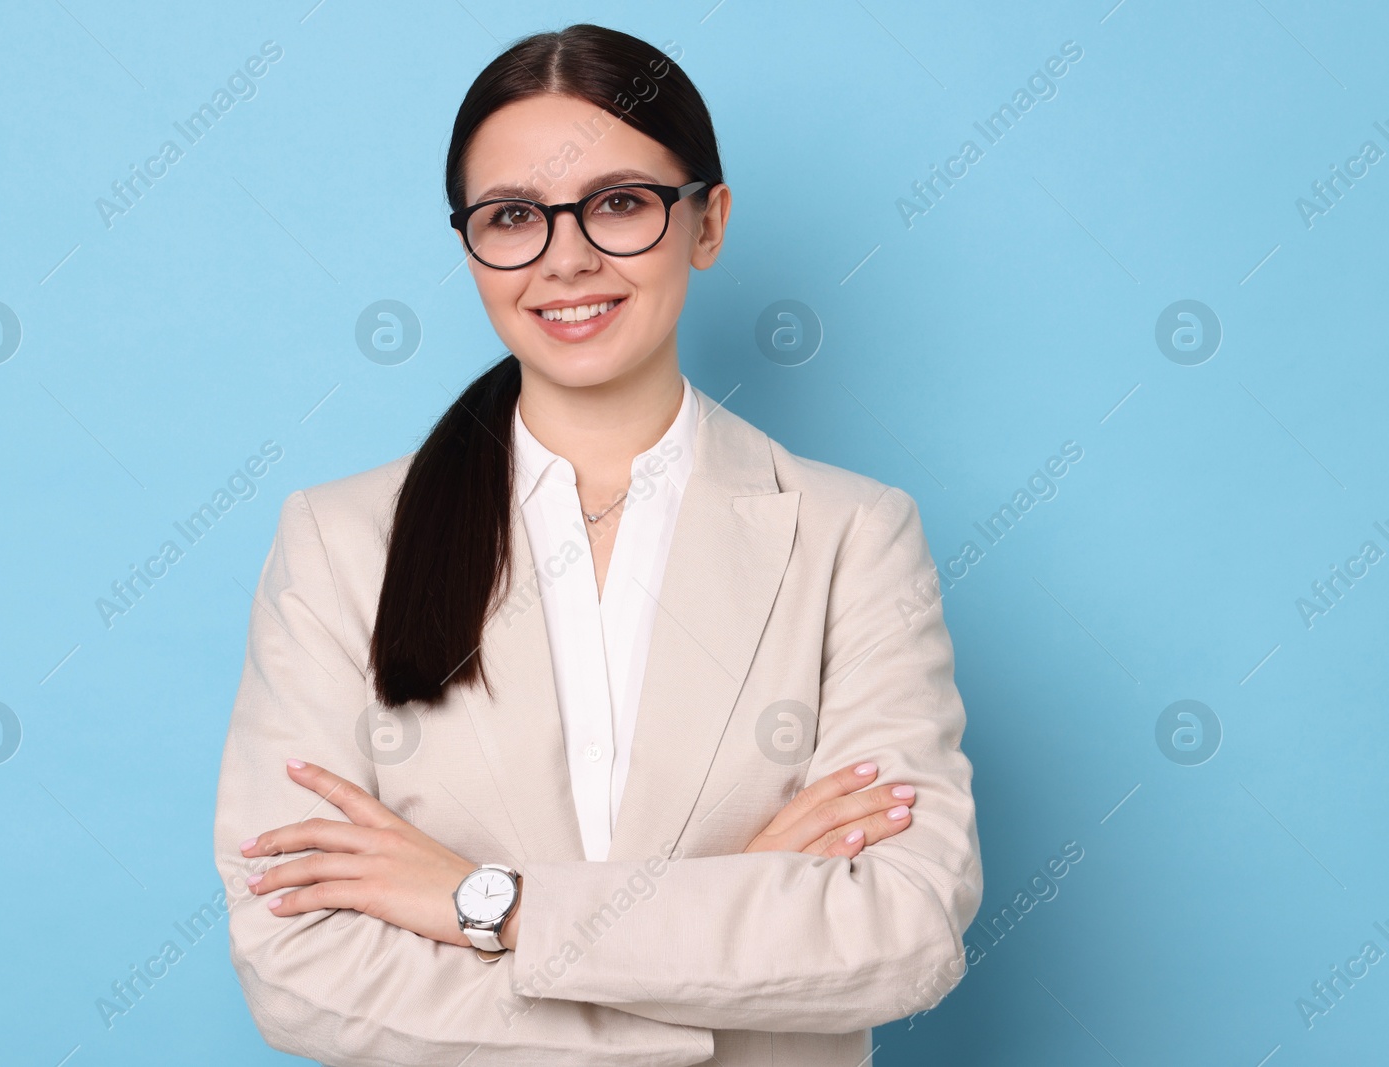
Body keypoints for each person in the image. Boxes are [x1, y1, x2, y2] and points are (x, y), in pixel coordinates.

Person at [213, 22, 982, 1066]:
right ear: (468, 246)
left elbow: (902, 930)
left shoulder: (853, 535)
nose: (564, 257)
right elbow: (296, 962)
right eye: (513, 216)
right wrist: (726, 928)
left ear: (705, 222)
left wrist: (476, 899)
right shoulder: (341, 542)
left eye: (619, 203)